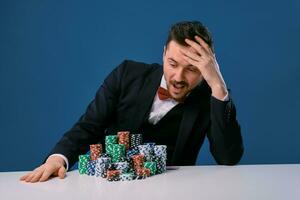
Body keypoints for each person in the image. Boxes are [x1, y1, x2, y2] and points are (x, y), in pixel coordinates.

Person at [20, 21, 244, 183]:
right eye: (173, 63)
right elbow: (89, 126)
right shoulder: (127, 74)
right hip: (112, 187)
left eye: (192, 69)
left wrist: (218, 87)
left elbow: (228, 157)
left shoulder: (212, 98)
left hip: (174, 190)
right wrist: (58, 158)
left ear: (206, 69)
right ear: (164, 53)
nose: (178, 77)